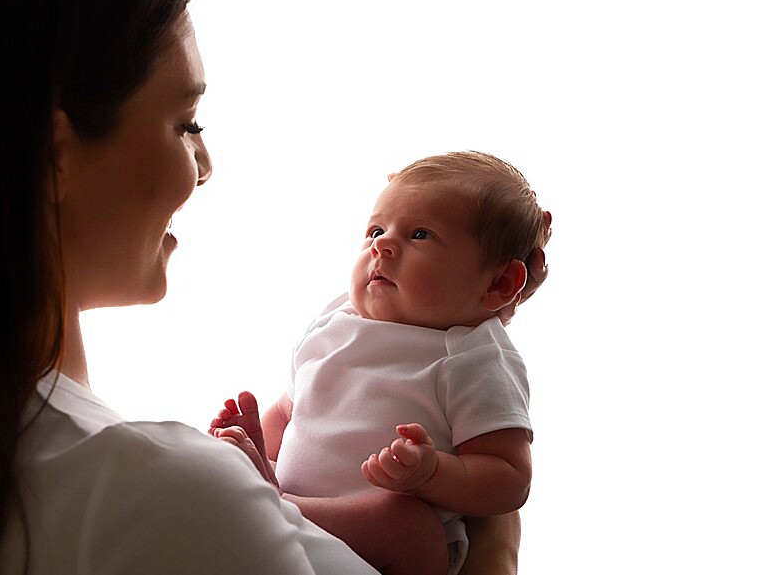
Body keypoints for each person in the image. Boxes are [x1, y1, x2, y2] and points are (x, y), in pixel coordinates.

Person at [0, 0, 539, 573]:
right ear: (49, 154)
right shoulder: (169, 498)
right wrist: (495, 543)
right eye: (187, 123)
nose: (205, 167)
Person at [211, 151, 552, 575]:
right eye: (376, 229)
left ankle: (272, 503)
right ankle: (268, 492)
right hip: (299, 507)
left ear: (500, 283)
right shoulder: (338, 319)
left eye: (421, 234)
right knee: (215, 463)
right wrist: (256, 439)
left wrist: (432, 474)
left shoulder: (473, 357)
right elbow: (291, 410)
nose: (381, 244)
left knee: (407, 522)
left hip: (388, 545)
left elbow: (509, 477)